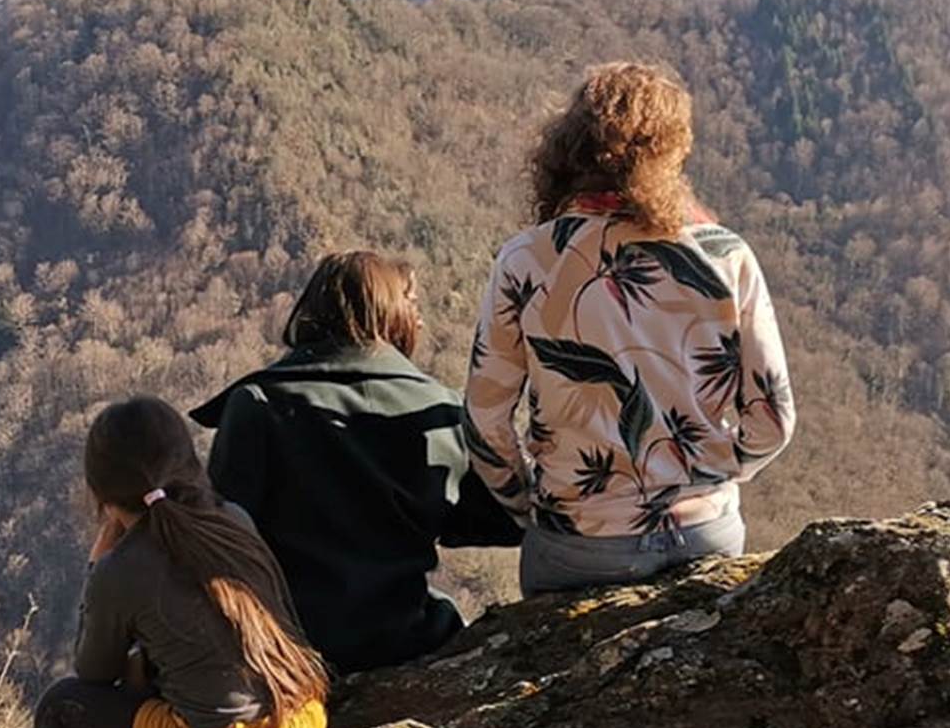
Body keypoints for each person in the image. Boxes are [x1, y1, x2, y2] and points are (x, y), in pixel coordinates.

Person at [464, 61, 796, 596]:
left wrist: (534, 503)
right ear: (671, 154)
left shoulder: (526, 259)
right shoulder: (724, 255)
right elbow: (774, 419)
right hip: (704, 533)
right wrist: (712, 474)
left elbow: (484, 422)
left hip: (580, 545)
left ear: (567, 152)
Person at [34, 397, 328, 728]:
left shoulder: (120, 568)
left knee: (60, 704)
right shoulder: (232, 517)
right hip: (304, 721)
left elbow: (92, 672)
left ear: (101, 493)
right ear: (189, 463)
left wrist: (96, 568)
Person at [191, 251, 522, 675]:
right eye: (413, 305)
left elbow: (223, 540)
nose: (420, 321)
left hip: (290, 652)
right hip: (408, 641)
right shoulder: (438, 411)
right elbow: (502, 519)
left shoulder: (256, 406)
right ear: (392, 315)